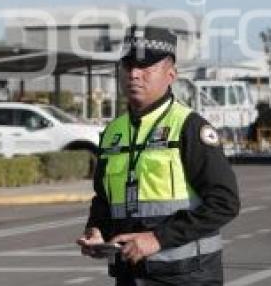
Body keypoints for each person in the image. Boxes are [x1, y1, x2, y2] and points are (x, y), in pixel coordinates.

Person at [77, 25, 240, 285]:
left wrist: (157, 239)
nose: (135, 75)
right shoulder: (112, 133)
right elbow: (104, 200)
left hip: (187, 276)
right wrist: (97, 230)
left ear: (170, 74)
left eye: (147, 67)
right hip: (130, 274)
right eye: (128, 66)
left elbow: (224, 203)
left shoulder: (190, 127)